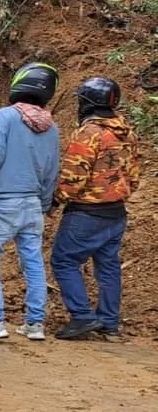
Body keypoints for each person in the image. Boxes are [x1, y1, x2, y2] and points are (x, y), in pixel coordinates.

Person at [0, 63, 60, 342]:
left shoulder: (6, 117)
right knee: (33, 262)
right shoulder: (51, 127)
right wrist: (43, 204)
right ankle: (35, 324)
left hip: (2, 204)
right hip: (32, 205)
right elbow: (52, 170)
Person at [51, 77, 140, 340]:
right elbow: (134, 176)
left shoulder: (88, 133)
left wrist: (57, 199)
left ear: (88, 104)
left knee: (64, 260)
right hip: (117, 213)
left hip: (87, 213)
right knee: (108, 266)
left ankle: (82, 317)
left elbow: (73, 178)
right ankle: (109, 322)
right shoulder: (128, 133)